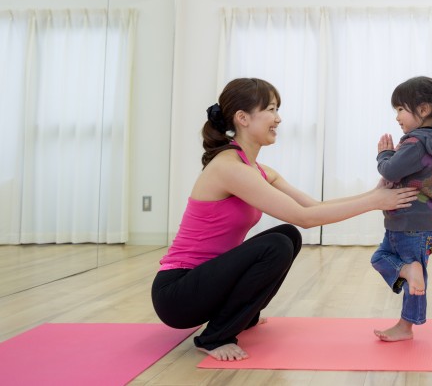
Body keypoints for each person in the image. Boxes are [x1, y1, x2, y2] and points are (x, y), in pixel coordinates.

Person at [151, 77, 418, 361]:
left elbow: (315, 206)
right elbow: (304, 217)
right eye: (270, 109)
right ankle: (215, 336)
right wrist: (373, 203)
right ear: (242, 118)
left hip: (207, 283)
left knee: (288, 236)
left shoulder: (255, 169)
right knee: (276, 244)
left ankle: (243, 316)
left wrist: (375, 194)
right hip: (177, 293)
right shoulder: (229, 168)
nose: (278, 119)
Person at [370, 76, 432, 342]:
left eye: (400, 109)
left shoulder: (413, 143)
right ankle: (408, 291)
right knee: (390, 262)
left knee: (405, 269)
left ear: (423, 110)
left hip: (409, 221)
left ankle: (406, 326)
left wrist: (384, 155)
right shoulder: (430, 142)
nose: (397, 116)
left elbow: (389, 170)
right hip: (418, 223)